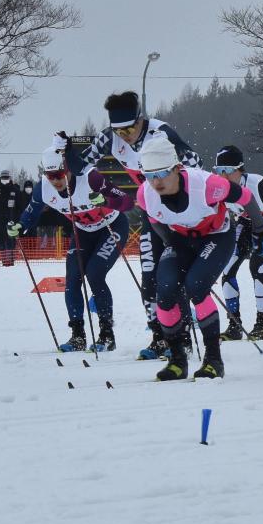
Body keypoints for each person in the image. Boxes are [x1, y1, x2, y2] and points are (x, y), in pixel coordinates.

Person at [136, 134, 263, 381]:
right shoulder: (145, 194)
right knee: (163, 290)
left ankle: (213, 360)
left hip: (217, 237)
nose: (156, 182)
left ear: (177, 168)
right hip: (181, 239)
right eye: (149, 176)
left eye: (162, 174)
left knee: (196, 286)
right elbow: (155, 220)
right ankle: (177, 360)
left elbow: (245, 198)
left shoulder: (206, 185)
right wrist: (171, 245)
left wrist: (259, 229)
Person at [84, 91, 199, 358]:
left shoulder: (161, 132)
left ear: (140, 120)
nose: (125, 136)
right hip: (151, 212)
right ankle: (159, 336)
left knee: (171, 277)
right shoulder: (108, 136)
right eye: (119, 131)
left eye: (129, 129)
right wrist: (65, 153)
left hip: (175, 212)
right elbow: (82, 165)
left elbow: (195, 163)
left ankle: (182, 339)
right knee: (149, 279)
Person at [15, 139, 135, 352]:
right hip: (83, 231)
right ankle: (77, 336)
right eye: (50, 176)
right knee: (72, 279)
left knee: (95, 273)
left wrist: (106, 200)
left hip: (111, 226)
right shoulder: (43, 188)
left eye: (60, 174)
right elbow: (30, 213)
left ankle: (107, 334)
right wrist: (19, 226)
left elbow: (127, 202)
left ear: (68, 169)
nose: (56, 180)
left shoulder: (90, 178)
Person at [211, 146, 263, 343]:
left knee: (257, 267)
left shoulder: (257, 182)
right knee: (227, 269)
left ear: (240, 169)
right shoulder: (220, 188)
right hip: (245, 222)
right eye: (219, 171)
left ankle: (262, 324)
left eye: (227, 170)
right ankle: (234, 324)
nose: (223, 175)